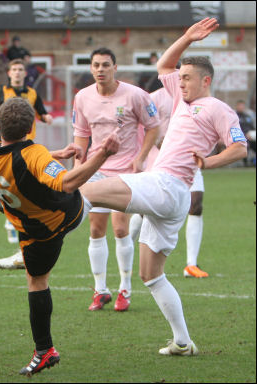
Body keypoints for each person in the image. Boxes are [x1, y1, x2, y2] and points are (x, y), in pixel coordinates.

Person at [79, 18, 247, 356]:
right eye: (180, 78)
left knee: (84, 190)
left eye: (187, 78)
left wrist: (210, 162)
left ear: (206, 80)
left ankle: (35, 219)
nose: (180, 82)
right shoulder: (180, 98)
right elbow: (164, 64)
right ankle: (183, 342)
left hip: (167, 186)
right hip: (171, 198)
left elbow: (240, 147)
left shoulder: (218, 108)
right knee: (150, 275)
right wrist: (187, 37)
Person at [0, 97, 120, 376]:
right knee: (101, 194)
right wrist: (100, 154)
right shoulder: (35, 152)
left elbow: (44, 171)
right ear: (31, 127)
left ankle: (44, 350)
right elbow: (53, 174)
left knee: (36, 281)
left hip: (43, 227)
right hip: (52, 217)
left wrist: (57, 155)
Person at [73, 47, 160, 312]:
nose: (100, 69)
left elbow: (154, 126)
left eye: (105, 65)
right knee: (95, 229)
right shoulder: (82, 97)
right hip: (97, 169)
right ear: (91, 68)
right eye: (96, 65)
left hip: (126, 171)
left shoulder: (135, 95)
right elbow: (81, 133)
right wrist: (79, 164)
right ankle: (100, 290)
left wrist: (142, 157)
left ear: (115, 67)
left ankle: (125, 288)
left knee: (121, 228)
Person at [129, 87, 210, 279]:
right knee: (145, 210)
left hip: (189, 159)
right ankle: (126, 244)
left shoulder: (197, 100)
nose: (181, 81)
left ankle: (191, 264)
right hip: (160, 160)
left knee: (196, 205)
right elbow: (143, 126)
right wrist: (156, 141)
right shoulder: (155, 98)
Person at [0, 59, 54, 269]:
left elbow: (41, 112)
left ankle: (8, 207)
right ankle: (7, 204)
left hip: (26, 144)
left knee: (23, 181)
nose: (17, 73)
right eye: (14, 69)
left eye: (20, 70)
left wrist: (47, 117)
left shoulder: (32, 93)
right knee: (9, 177)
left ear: (25, 73)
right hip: (5, 143)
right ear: (8, 72)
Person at [235, 100, 256, 165]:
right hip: (240, 137)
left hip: (250, 137)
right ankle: (245, 163)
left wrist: (252, 134)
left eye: (242, 106)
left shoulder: (247, 117)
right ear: (237, 106)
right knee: (246, 144)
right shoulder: (234, 116)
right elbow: (234, 129)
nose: (241, 107)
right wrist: (244, 135)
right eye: (240, 106)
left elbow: (252, 128)